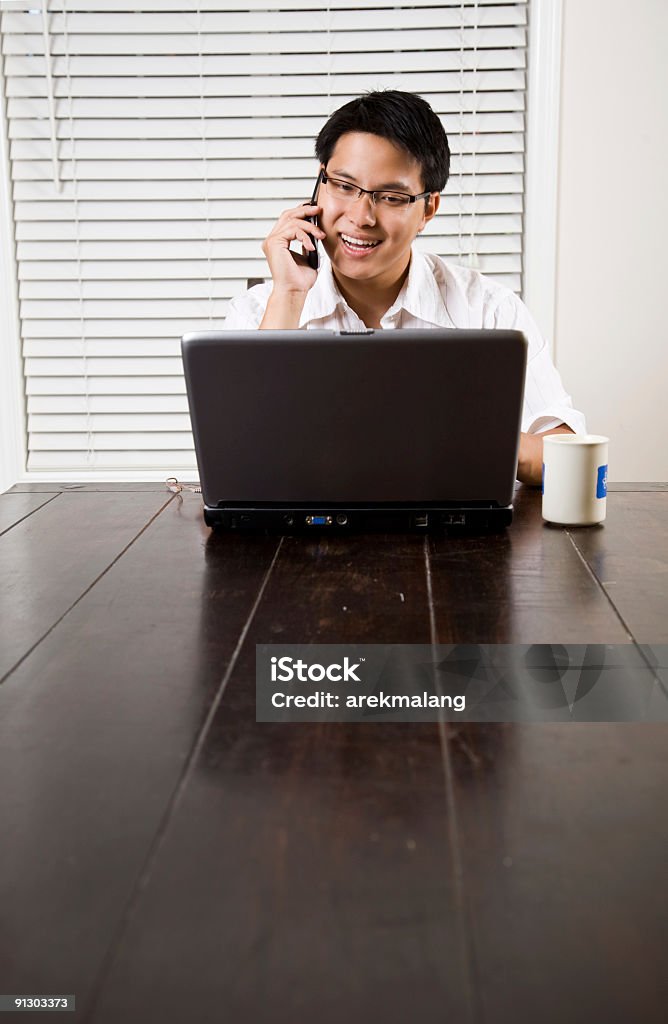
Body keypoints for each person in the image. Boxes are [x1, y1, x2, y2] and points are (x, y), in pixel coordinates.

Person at [222, 90, 585, 485]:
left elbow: (568, 459)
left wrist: (445, 434)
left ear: (428, 209)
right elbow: (240, 460)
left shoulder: (490, 310)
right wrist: (290, 296)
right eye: (343, 186)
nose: (361, 217)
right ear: (318, 186)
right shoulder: (259, 310)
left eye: (392, 197)